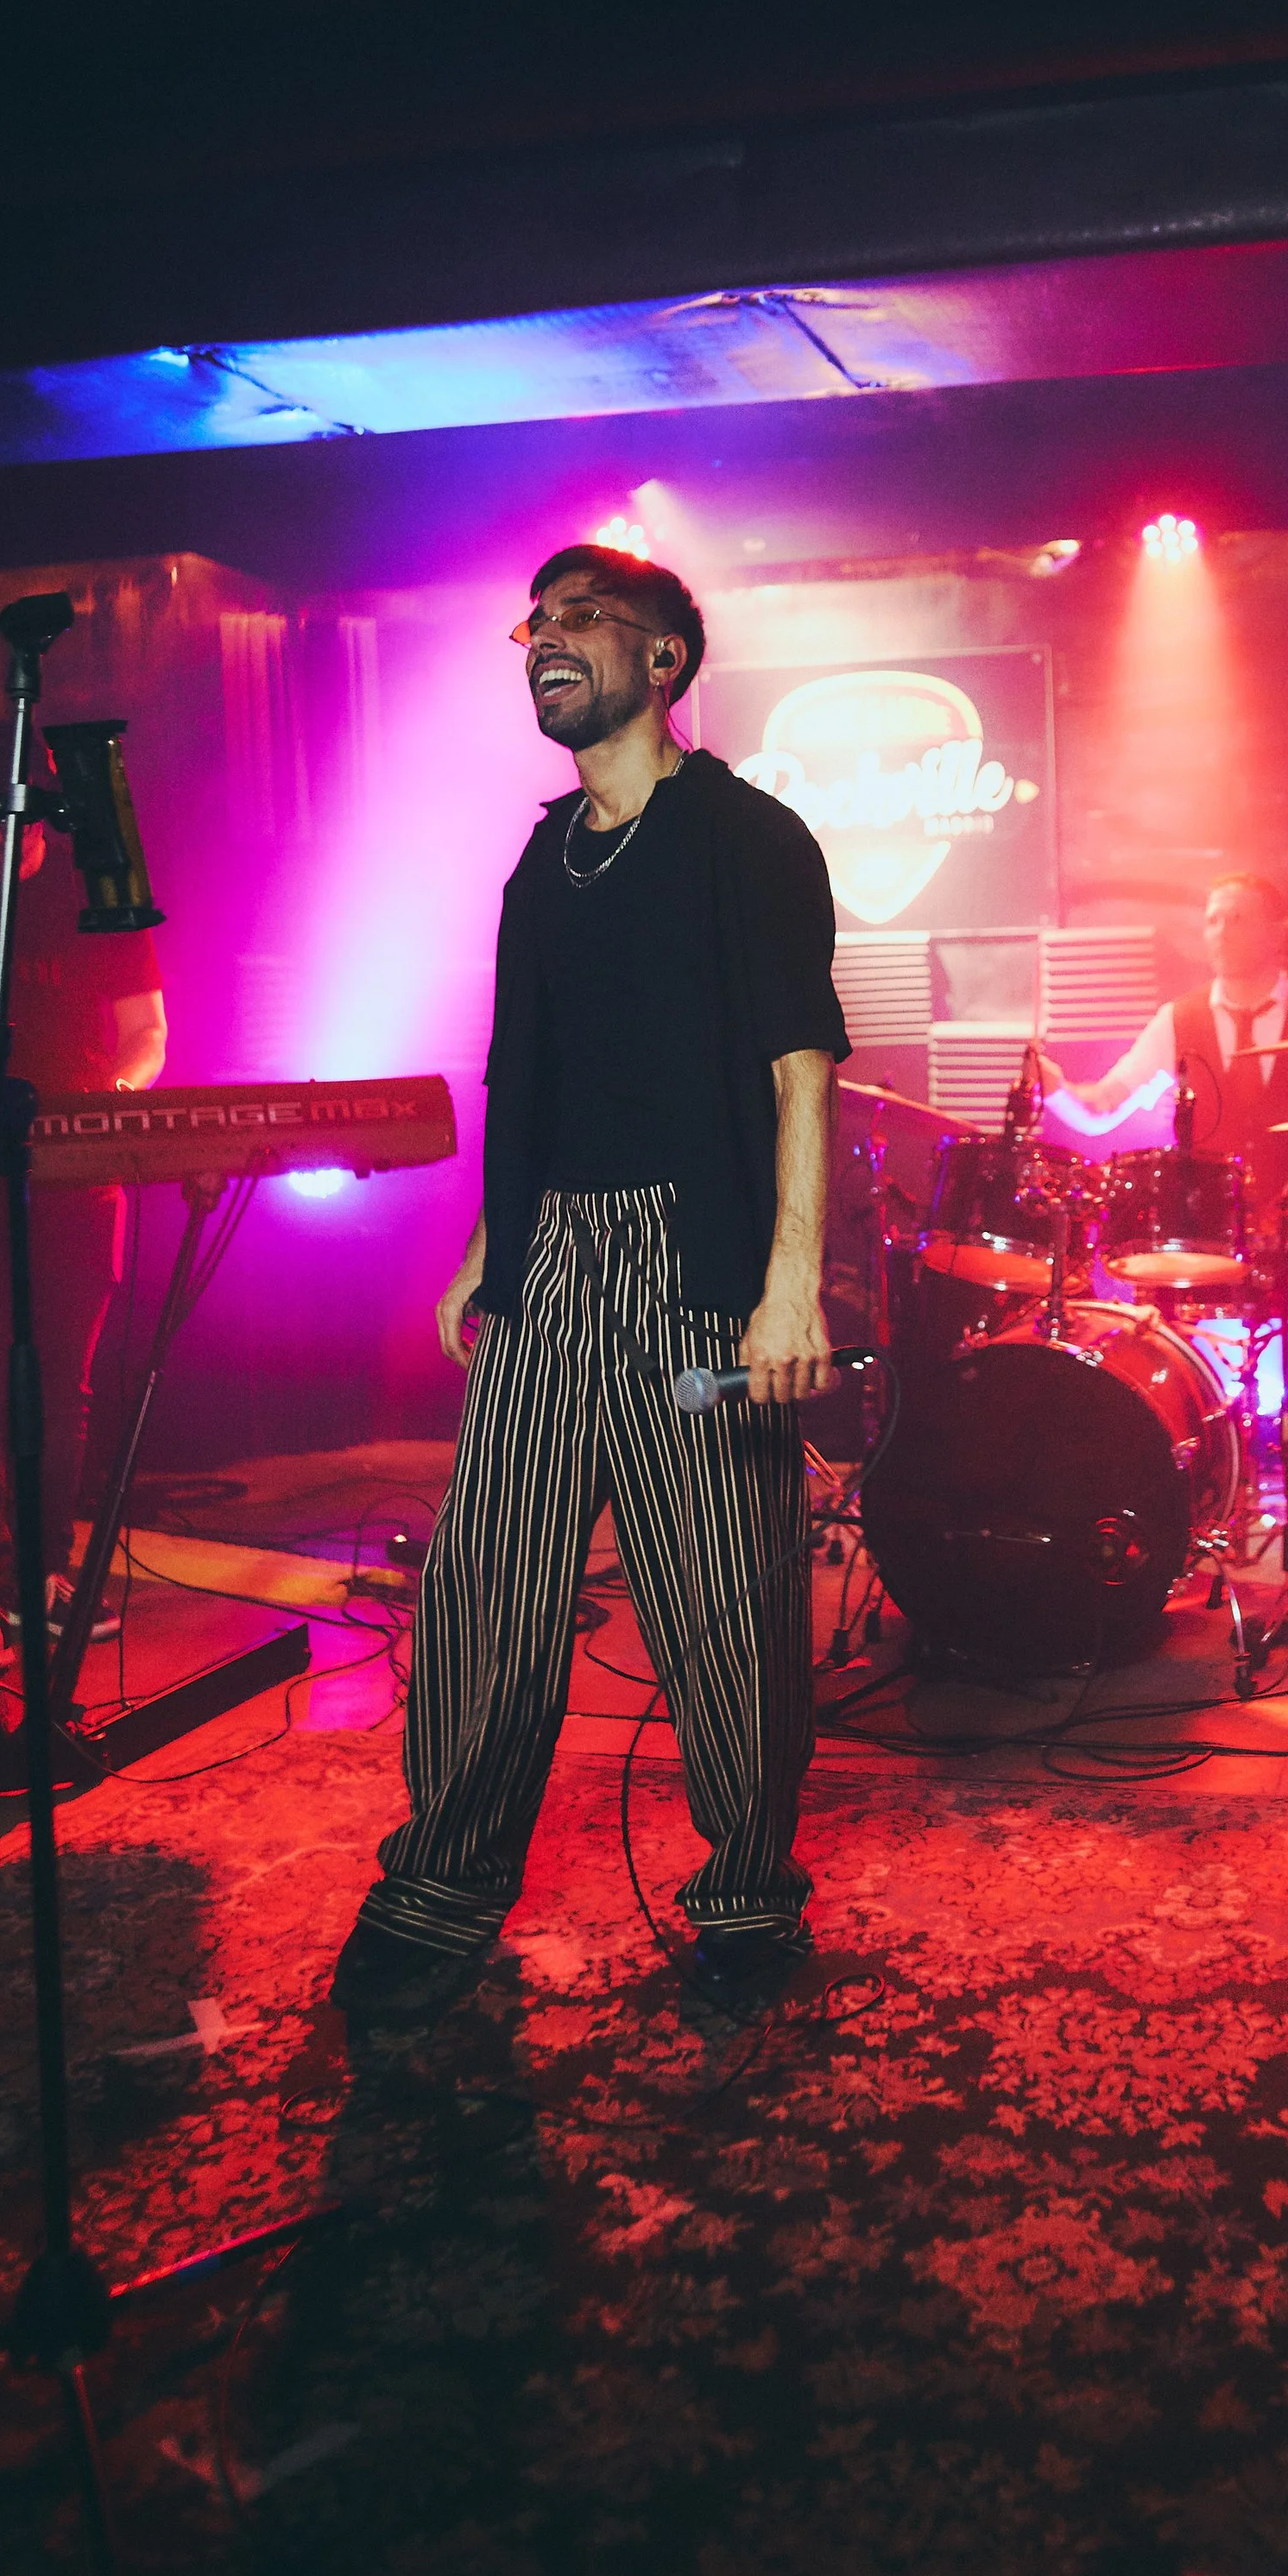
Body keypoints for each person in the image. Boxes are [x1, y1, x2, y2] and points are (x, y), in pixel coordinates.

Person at [331, 545, 850, 2029]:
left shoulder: (747, 838)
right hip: (554, 1257)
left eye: (581, 619)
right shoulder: (544, 856)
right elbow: (529, 1073)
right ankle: (441, 1885)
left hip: (697, 1269)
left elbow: (801, 1068)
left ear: (664, 659)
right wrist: (489, 1245)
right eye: (535, 623)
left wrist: (790, 1285)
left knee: (722, 1596)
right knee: (487, 1576)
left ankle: (746, 1895)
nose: (545, 640)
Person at [0, 721, 167, 1659]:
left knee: (57, 1381)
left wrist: (106, 1107)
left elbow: (147, 1035)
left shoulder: (99, 891)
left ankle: (43, 1573)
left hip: (74, 1177)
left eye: (0, 822)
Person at [1039, 872, 1288, 1213]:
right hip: (1207, 1229)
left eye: (1237, 919)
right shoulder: (1178, 1019)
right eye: (1213, 920)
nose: (1222, 932)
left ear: (1277, 933)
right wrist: (1055, 1090)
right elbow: (1103, 1106)